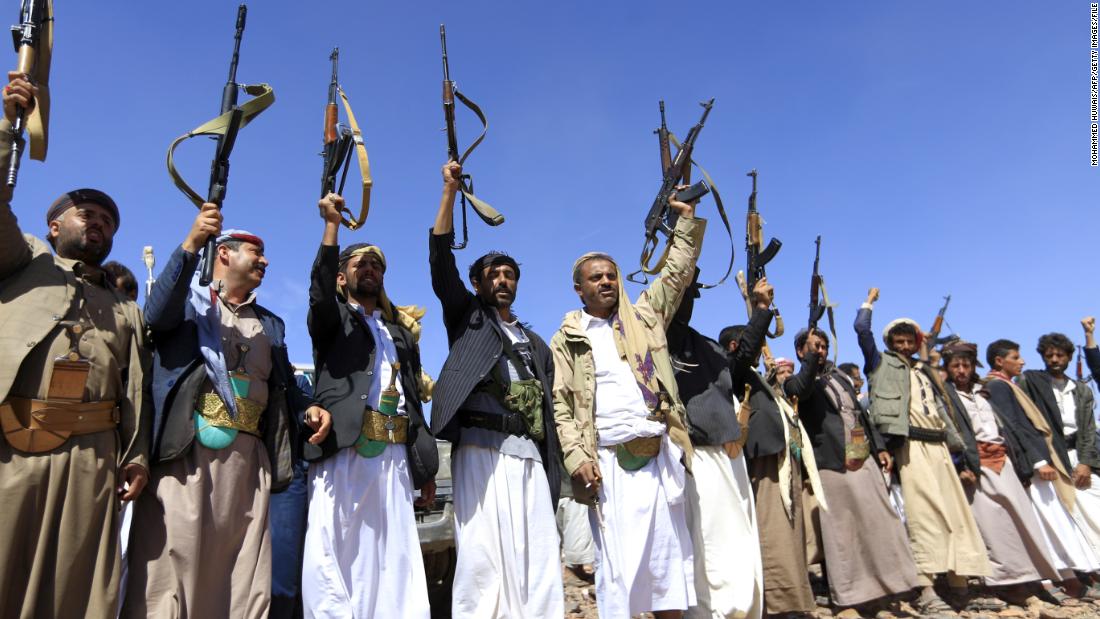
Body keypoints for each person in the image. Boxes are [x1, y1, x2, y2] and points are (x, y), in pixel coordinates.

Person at [122, 206, 328, 618]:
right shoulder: (187, 307)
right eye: (256, 253)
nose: (265, 261)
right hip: (188, 455)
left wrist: (310, 408)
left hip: (250, 465)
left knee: (243, 576)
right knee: (172, 565)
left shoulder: (270, 324)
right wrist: (191, 244)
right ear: (225, 254)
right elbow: (155, 315)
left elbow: (282, 384)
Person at [0, 73, 151, 619]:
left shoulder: (125, 307)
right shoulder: (23, 261)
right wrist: (7, 129)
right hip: (12, 446)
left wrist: (134, 457)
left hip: (91, 458)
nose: (98, 222)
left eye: (107, 221)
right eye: (86, 213)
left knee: (77, 593)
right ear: (53, 222)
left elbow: (135, 387)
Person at [551, 187, 704, 619]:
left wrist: (685, 220)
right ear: (579, 289)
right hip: (608, 465)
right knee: (620, 573)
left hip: (657, 459)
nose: (605, 281)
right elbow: (562, 404)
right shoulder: (568, 338)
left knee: (667, 568)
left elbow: (676, 272)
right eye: (595, 278)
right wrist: (576, 456)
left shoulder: (644, 317)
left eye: (610, 275)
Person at [430, 161, 563, 618]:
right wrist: (450, 193)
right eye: (493, 274)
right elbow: (440, 259)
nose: (502, 280)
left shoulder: (536, 343)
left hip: (529, 453)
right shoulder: (467, 318)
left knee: (538, 554)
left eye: (509, 274)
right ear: (476, 283)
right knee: (482, 554)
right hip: (481, 450)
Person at [301, 193, 438, 617]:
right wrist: (331, 229)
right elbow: (320, 294)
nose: (369, 269)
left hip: (394, 456)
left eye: (376, 265)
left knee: (393, 554)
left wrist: (425, 466)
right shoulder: (333, 321)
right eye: (359, 263)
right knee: (336, 550)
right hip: (345, 449)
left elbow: (413, 401)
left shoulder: (398, 333)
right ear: (342, 277)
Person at [856, 288, 990, 615]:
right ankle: (926, 590)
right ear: (890, 344)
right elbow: (862, 330)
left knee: (955, 515)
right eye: (898, 341)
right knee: (922, 517)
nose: (904, 346)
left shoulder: (924, 370)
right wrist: (869, 302)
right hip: (911, 448)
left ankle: (959, 588)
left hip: (940, 448)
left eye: (909, 341)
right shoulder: (879, 363)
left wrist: (960, 456)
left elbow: (942, 412)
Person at [784, 327, 919, 615]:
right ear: (801, 352)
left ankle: (887, 592)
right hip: (831, 463)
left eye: (822, 346)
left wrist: (879, 447)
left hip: (863, 458)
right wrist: (808, 361)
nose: (820, 351)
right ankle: (849, 600)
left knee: (879, 526)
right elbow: (801, 390)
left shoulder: (840, 378)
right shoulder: (796, 383)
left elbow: (859, 413)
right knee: (842, 534)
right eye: (813, 347)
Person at [668, 271, 771, 619]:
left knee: (738, 540)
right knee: (708, 544)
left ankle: (741, 611)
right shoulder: (660, 338)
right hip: (696, 458)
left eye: (693, 293)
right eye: (683, 292)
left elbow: (740, 361)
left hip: (728, 456)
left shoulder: (708, 346)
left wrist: (760, 310)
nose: (689, 300)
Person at [941, 341, 1063, 605]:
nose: (961, 370)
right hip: (976, 465)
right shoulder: (946, 394)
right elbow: (950, 431)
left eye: (966, 365)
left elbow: (1004, 427)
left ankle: (1033, 578)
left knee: (1021, 520)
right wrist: (962, 464)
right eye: (955, 365)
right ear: (948, 369)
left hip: (1003, 460)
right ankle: (1007, 583)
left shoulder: (983, 391)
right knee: (994, 526)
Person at [983, 339, 1100, 602]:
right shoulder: (1000, 386)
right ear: (1001, 361)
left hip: (1058, 459)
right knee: (1049, 521)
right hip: (1036, 465)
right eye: (1016, 357)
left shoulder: (1011, 384)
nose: (1022, 361)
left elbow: (1087, 427)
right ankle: (1062, 581)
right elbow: (1013, 426)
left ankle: (1073, 578)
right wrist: (1038, 461)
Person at [1017, 329, 1100, 559]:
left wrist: (1085, 463)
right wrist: (1040, 459)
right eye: (1050, 355)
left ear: (1069, 357)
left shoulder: (1081, 390)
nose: (1054, 360)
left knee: (1094, 509)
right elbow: (1023, 422)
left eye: (1060, 355)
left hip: (1078, 456)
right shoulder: (1030, 382)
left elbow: (1088, 430)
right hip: (1049, 457)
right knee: (1060, 515)